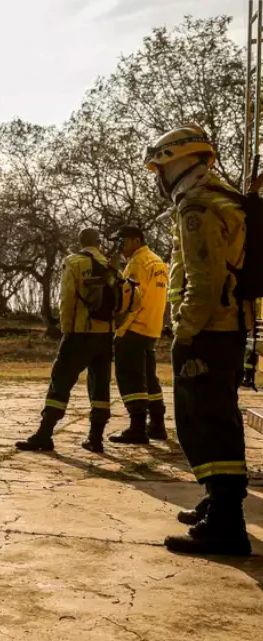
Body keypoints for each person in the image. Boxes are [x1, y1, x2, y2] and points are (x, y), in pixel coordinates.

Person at [145, 126, 252, 555]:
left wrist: (185, 333)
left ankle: (227, 524)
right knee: (216, 418)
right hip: (225, 328)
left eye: (162, 166)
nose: (159, 176)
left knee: (206, 425)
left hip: (208, 331)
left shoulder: (198, 205)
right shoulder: (223, 196)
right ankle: (217, 502)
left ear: (182, 161)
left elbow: (203, 282)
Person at [16, 229, 115, 454]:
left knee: (60, 381)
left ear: (80, 242)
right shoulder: (110, 265)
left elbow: (67, 297)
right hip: (105, 334)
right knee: (100, 386)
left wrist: (66, 329)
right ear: (99, 243)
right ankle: (96, 437)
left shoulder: (73, 261)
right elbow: (129, 299)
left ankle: (45, 433)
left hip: (80, 332)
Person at [109, 225, 169, 444]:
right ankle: (157, 424)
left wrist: (121, 330)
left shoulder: (137, 263)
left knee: (131, 378)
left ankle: (137, 427)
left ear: (135, 240)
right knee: (149, 379)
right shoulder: (159, 262)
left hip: (134, 328)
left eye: (121, 241)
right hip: (152, 327)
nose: (119, 246)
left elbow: (132, 300)